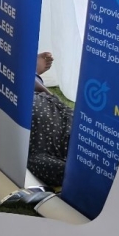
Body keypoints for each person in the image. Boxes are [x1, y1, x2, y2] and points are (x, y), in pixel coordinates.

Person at [29, 52, 73, 187]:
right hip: (55, 109)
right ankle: (33, 77)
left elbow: (36, 161)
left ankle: (32, 76)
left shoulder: (72, 170)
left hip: (24, 107)